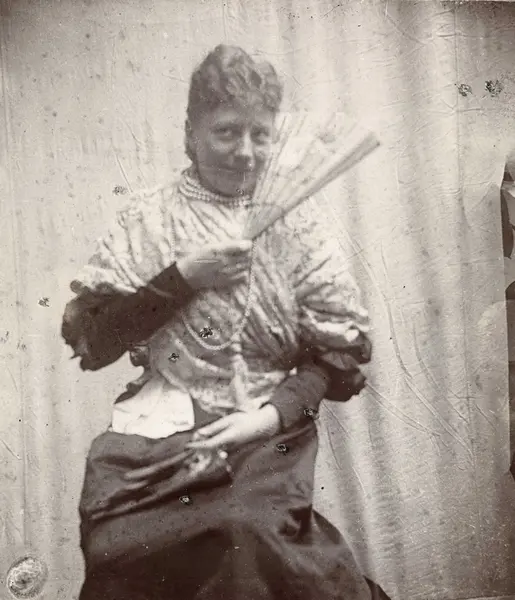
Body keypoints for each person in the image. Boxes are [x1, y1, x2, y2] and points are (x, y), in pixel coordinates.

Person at [62, 44, 390, 600]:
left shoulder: (299, 224)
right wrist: (182, 278)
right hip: (158, 432)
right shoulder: (148, 219)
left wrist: (266, 419)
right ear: (190, 133)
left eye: (260, 135)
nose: (245, 153)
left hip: (264, 431)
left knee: (244, 537)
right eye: (226, 132)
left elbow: (340, 356)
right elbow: (94, 341)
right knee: (117, 549)